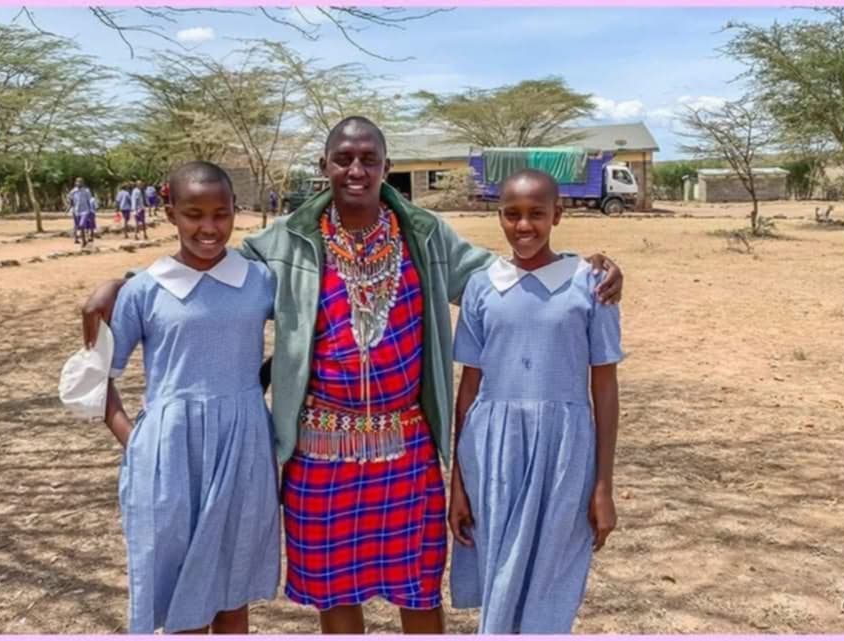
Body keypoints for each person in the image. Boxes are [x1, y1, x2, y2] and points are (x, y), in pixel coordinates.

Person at [79, 116, 624, 634]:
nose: (356, 170)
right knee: (335, 591)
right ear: (325, 166)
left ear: (387, 166)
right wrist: (128, 281)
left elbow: (508, 272)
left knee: (418, 589)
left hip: (406, 443)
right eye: (343, 159)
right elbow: (211, 261)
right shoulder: (289, 240)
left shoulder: (426, 235)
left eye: (369, 159)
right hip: (319, 450)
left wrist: (583, 269)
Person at [98, 161, 279, 633]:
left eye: (221, 214)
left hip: (243, 445)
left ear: (235, 211)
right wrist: (135, 441)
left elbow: (303, 341)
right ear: (170, 213)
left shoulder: (260, 281)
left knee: (232, 585)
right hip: (169, 449)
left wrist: (256, 386)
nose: (209, 227)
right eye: (193, 214)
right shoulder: (144, 290)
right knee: (180, 589)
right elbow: (99, 377)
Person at [448, 169, 623, 634]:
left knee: (553, 574)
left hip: (564, 451)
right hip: (493, 450)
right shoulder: (482, 286)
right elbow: (469, 389)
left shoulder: (591, 285)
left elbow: (605, 388)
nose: (523, 225)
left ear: (558, 215)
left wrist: (603, 486)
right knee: (500, 571)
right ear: (499, 216)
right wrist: (458, 486)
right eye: (512, 214)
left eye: (536, 214)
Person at [69, 177, 94, 247]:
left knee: (82, 225)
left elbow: (89, 201)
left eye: (80, 182)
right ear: (75, 183)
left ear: (83, 183)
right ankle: (83, 240)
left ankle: (83, 241)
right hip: (76, 211)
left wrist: (91, 210)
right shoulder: (73, 191)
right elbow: (70, 200)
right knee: (77, 226)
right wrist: (72, 208)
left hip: (85, 210)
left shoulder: (86, 191)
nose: (79, 183)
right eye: (78, 182)